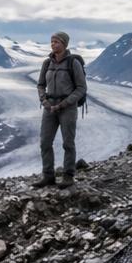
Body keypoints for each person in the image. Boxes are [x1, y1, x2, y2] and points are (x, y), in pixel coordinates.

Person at [33, 31, 87, 188]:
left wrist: (64, 104)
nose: (53, 44)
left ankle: (68, 176)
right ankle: (48, 176)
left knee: (68, 143)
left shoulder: (73, 63)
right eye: (52, 41)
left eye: (56, 42)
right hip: (49, 107)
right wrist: (44, 100)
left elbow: (81, 88)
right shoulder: (47, 63)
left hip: (67, 108)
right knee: (45, 142)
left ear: (64, 44)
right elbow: (40, 84)